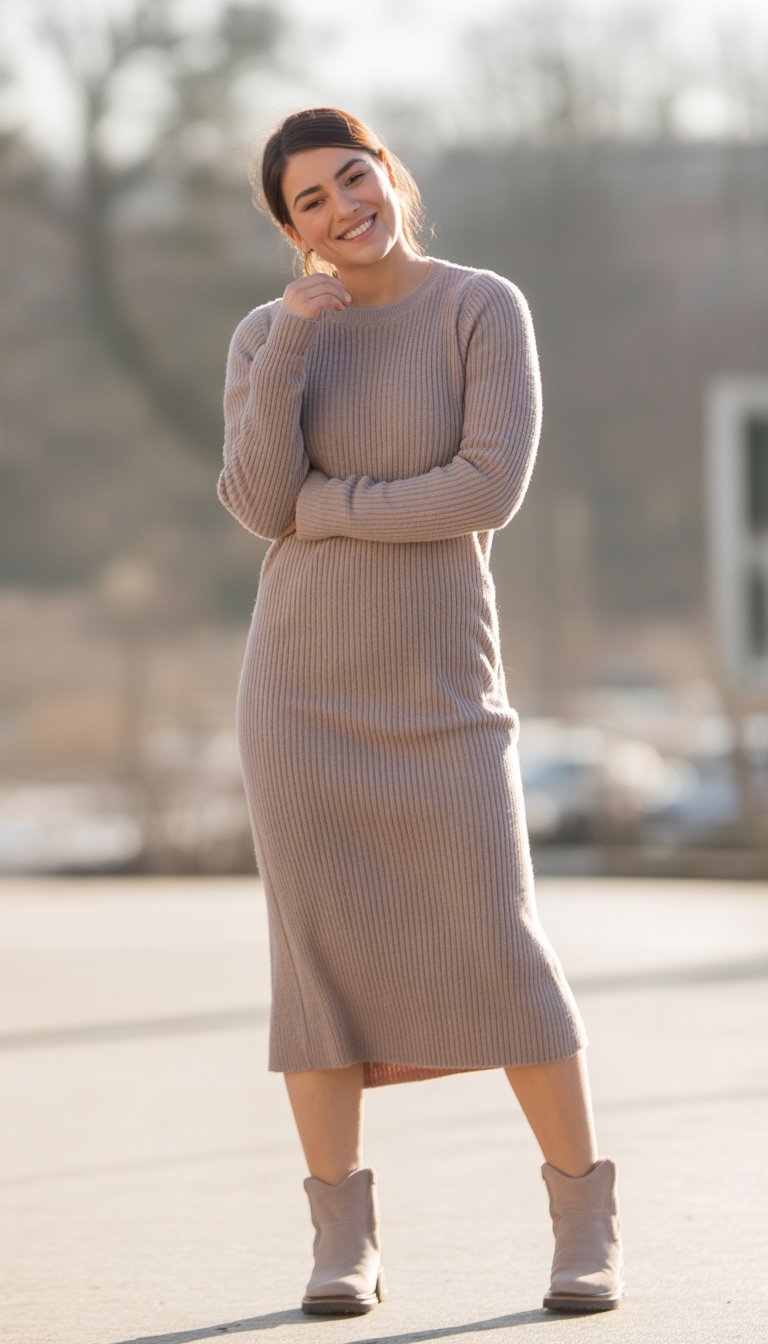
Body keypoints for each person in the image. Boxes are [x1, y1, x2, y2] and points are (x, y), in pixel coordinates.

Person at [217, 106, 624, 1318]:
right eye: (312, 203)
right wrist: (292, 339)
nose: (347, 209)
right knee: (318, 963)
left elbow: (486, 485)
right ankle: (341, 1237)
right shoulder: (267, 330)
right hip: (297, 694)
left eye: (356, 178)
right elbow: (253, 500)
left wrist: (329, 510)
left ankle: (581, 1214)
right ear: (291, 229)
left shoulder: (479, 307)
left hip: (444, 688)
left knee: (501, 944)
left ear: (390, 173)